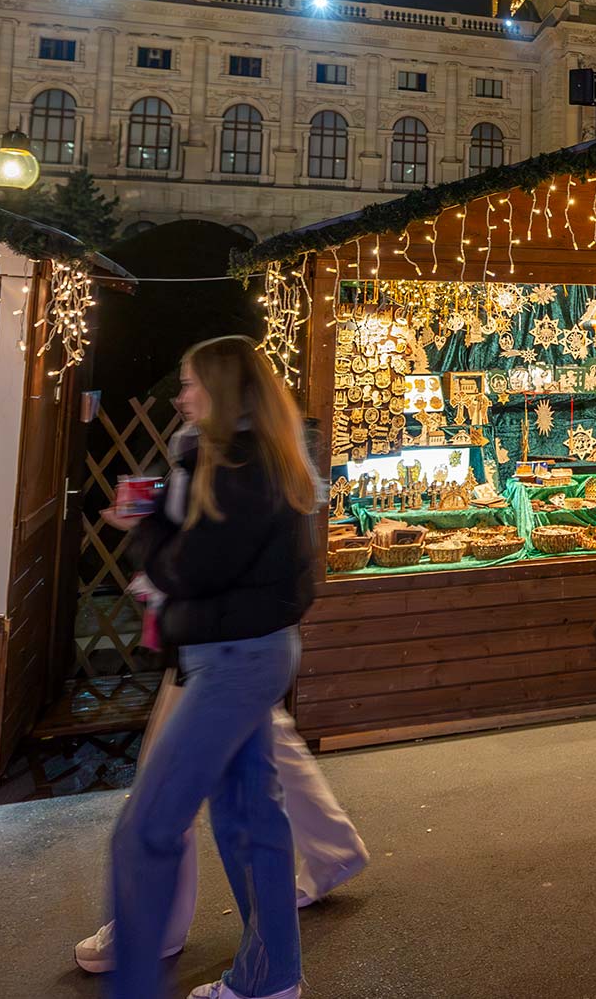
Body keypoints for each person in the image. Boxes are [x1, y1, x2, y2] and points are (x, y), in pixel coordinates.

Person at [102, 336, 321, 999]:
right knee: (250, 819)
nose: (180, 395)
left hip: (235, 659)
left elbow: (189, 567)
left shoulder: (242, 469)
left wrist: (141, 532)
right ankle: (269, 976)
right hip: (241, 650)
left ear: (222, 390)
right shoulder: (248, 459)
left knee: (146, 830)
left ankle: (140, 981)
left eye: (192, 383)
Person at [73, 673, 368, 976]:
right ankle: (334, 849)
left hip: (210, 637)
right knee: (256, 719)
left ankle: (157, 921)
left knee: (170, 760)